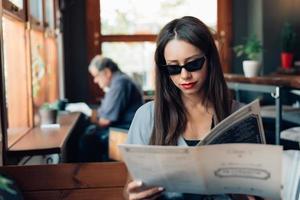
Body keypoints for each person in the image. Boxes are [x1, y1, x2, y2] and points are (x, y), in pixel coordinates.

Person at [124, 16, 254, 200]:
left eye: (193, 64)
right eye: (174, 68)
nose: (185, 75)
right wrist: (135, 195)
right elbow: (130, 187)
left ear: (209, 60)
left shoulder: (239, 115)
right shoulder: (148, 117)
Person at [78, 55, 144, 162]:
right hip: (124, 129)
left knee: (87, 139)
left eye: (96, 76)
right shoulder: (119, 81)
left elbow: (105, 121)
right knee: (88, 133)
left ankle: (92, 176)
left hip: (125, 133)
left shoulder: (120, 83)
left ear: (107, 72)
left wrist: (91, 121)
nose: (95, 80)